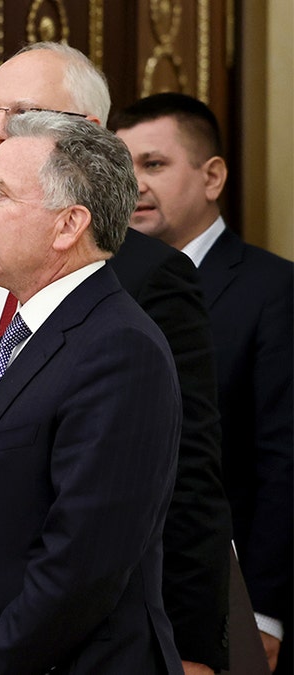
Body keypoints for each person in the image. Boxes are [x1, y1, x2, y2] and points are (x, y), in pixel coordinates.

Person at [0, 43, 232, 675]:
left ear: (69, 221)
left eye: (0, 194)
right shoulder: (1, 318)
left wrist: (198, 645)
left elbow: (91, 554)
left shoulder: (123, 339)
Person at [0, 110, 183, 674]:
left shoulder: (119, 350)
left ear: (68, 225)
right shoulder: (23, 332)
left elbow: (82, 565)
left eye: (0, 194)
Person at [111, 92, 294, 675]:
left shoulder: (274, 291)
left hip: (234, 601)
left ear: (212, 176)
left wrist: (263, 613)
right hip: (121, 605)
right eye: (123, 166)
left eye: (154, 164)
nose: (134, 184)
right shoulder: (105, 289)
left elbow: (284, 460)